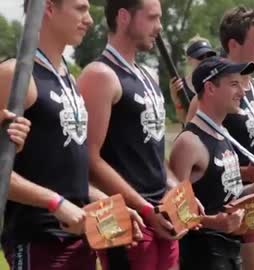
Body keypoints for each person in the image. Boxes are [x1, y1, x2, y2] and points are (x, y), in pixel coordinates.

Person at [77, 0, 181, 269]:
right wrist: (145, 208)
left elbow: (153, 150)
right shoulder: (100, 75)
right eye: (152, 18)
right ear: (124, 17)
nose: (159, 27)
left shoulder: (148, 76)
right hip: (129, 220)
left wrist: (178, 190)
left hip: (161, 215)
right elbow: (89, 158)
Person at [187, 7, 254, 270]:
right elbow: (197, 161)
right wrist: (247, 173)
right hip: (239, 202)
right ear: (233, 44)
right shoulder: (213, 92)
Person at [0, 0, 98, 269]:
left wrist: (107, 203)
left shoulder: (68, 77)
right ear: (49, 9)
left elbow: (62, 171)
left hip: (80, 240)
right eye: (80, 8)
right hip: (38, 242)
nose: (89, 19)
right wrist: (54, 202)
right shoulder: (15, 75)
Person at [169, 56, 254, 270]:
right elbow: (174, 213)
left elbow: (225, 195)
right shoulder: (189, 142)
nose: (242, 92)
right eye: (234, 84)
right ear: (210, 88)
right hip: (202, 255)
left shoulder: (222, 133)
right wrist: (213, 222)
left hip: (229, 252)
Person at [169, 36, 216, 124]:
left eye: (209, 56)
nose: (205, 60)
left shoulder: (219, 81)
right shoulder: (180, 85)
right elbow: (183, 120)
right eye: (201, 57)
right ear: (189, 60)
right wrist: (177, 101)